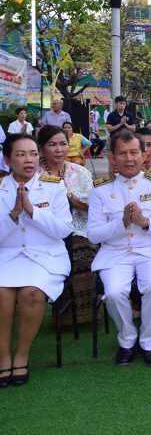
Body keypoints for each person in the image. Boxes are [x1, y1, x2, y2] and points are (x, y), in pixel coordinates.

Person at [88, 130, 151, 367]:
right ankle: (127, 340)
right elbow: (93, 233)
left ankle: (149, 342)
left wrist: (144, 222)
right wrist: (122, 224)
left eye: (134, 153)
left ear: (145, 154)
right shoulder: (100, 189)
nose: (129, 159)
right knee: (115, 292)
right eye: (122, 153)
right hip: (114, 252)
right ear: (112, 157)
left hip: (150, 250)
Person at [0, 134, 74, 386]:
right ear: (7, 159)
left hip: (45, 257)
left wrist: (33, 211)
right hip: (6, 256)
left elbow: (64, 229)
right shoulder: (0, 189)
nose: (28, 160)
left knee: (32, 292)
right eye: (20, 155)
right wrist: (13, 215)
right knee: (2, 293)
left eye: (32, 154)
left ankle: (21, 356)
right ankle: (3, 358)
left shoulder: (53, 186)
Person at [38, 125, 93, 253]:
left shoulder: (80, 172)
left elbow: (94, 206)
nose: (59, 150)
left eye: (63, 144)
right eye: (52, 144)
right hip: (45, 232)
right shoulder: (35, 174)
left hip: (79, 231)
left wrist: (71, 199)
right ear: (41, 148)